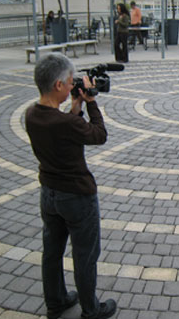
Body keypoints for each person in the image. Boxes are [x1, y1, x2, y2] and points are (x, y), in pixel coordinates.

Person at [25, 53, 116, 319]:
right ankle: (91, 309)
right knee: (85, 255)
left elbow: (63, 128)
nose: (71, 86)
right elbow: (99, 135)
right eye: (68, 82)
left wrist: (75, 104)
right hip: (77, 197)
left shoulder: (33, 114)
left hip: (49, 195)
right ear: (57, 86)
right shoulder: (66, 123)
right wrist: (91, 103)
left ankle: (56, 302)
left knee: (52, 252)